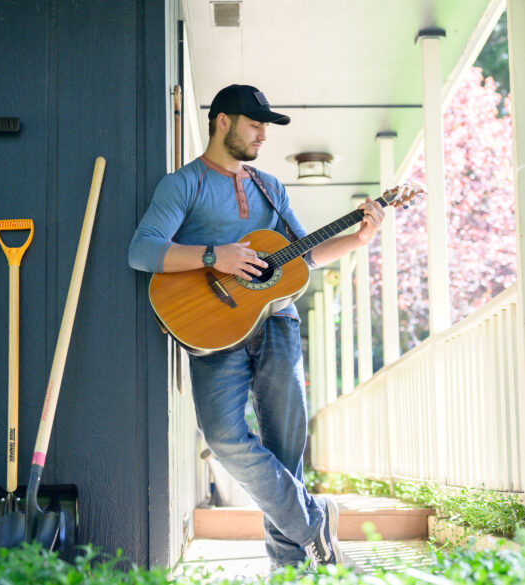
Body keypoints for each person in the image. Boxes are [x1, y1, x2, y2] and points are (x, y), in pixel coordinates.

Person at [129, 84, 385, 570]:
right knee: (223, 436)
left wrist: (359, 238)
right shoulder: (183, 184)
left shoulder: (271, 185)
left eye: (267, 125)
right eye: (255, 123)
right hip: (213, 331)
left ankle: (288, 570)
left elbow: (301, 256)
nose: (263, 134)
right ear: (222, 121)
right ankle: (314, 521)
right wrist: (214, 255)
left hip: (277, 325)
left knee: (286, 450)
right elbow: (142, 251)